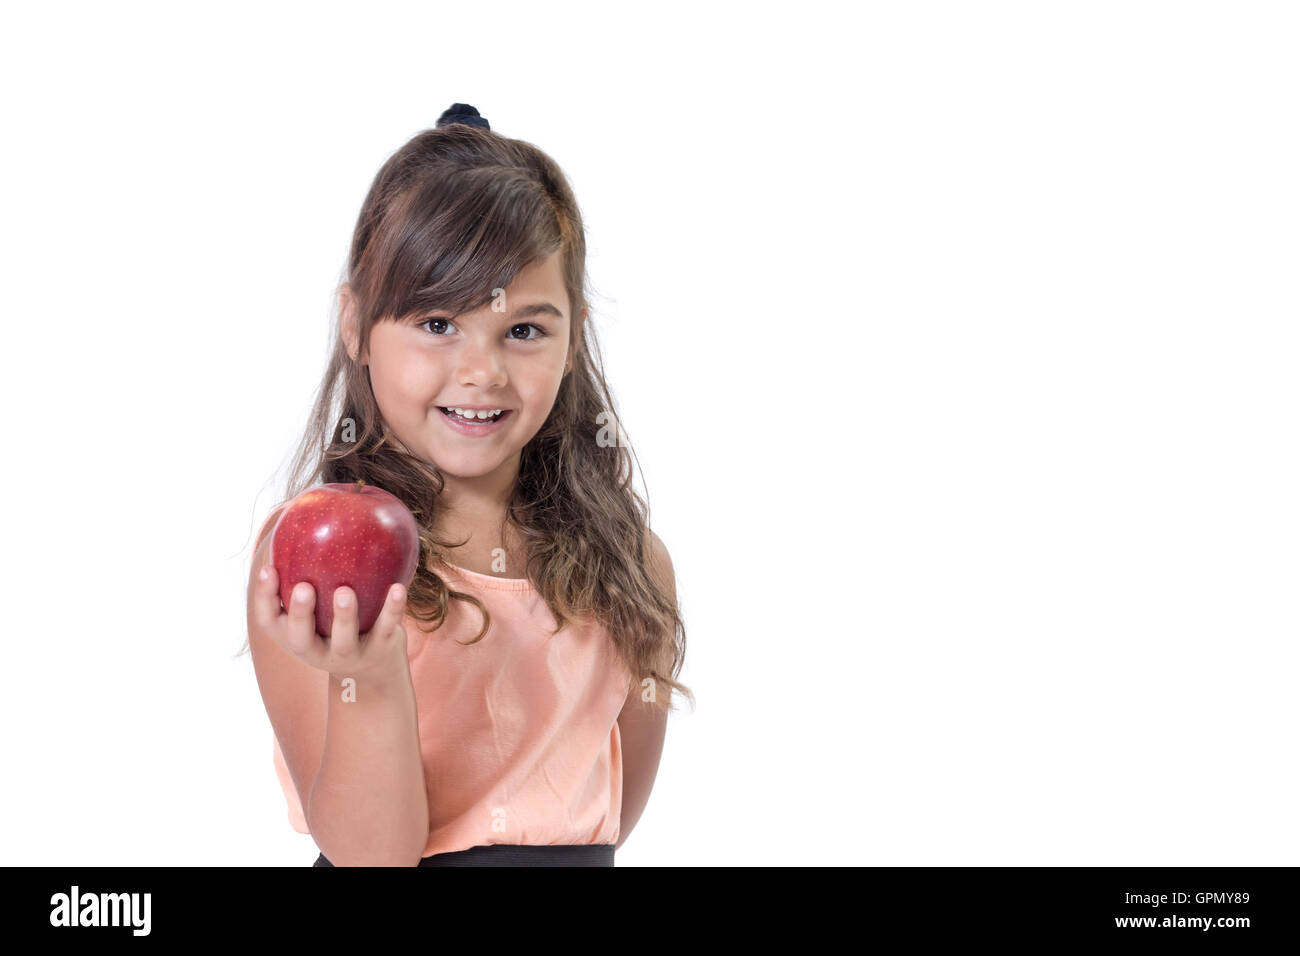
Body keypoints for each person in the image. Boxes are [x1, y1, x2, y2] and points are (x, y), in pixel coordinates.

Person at [238, 103, 693, 866]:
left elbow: (611, 816)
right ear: (355, 325)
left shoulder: (633, 563)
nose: (481, 372)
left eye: (523, 330)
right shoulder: (313, 562)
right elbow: (372, 855)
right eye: (437, 324)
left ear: (573, 338)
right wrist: (371, 679)